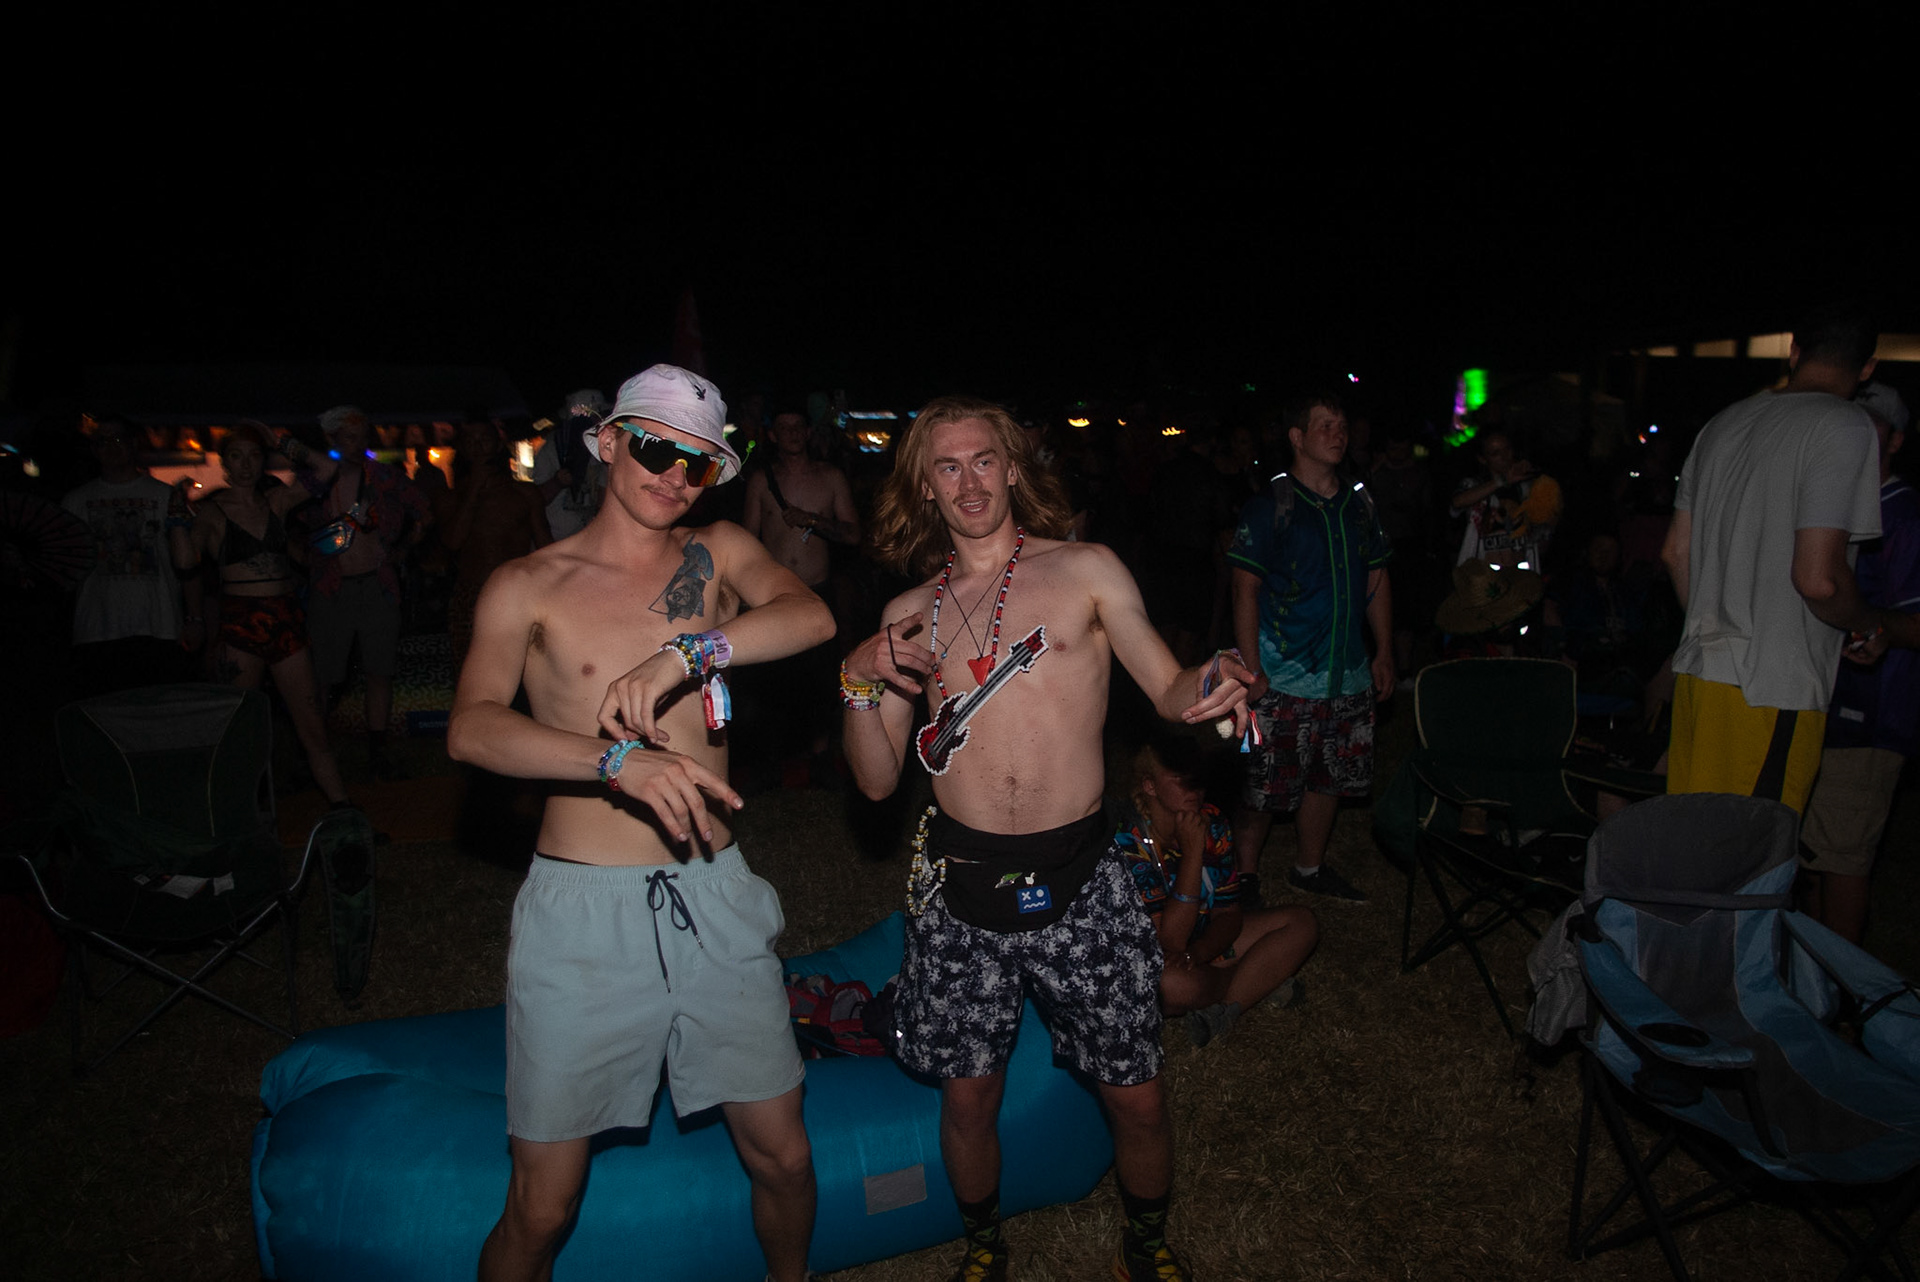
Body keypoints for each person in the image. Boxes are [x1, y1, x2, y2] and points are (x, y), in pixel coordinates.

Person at [841, 395, 1252, 1282]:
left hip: (1082, 879)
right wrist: (856, 681)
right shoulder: (910, 612)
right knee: (968, 1099)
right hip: (961, 888)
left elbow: (1170, 685)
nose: (969, 483)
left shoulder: (1085, 570)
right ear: (924, 488)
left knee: (1136, 1095)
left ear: (1014, 468)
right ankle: (985, 1249)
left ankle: (1146, 1247)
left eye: (984, 460)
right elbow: (875, 780)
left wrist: (1213, 675)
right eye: (947, 467)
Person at [446, 364, 833, 1282]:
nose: (673, 476)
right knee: (543, 1205)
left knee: (784, 1157)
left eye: (697, 463)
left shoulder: (720, 551)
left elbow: (810, 614)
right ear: (611, 441)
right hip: (581, 916)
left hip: (714, 893)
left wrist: (686, 655)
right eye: (657, 449)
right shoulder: (528, 583)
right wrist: (614, 759)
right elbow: (472, 728)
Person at [1662, 303, 1916, 813]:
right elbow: (1818, 579)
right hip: (1773, 684)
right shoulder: (1843, 425)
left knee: (1696, 841)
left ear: (1794, 351)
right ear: (1867, 367)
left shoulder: (1723, 423)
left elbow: (1675, 552)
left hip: (1699, 676)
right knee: (1752, 851)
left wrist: (1719, 622)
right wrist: (1866, 624)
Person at [1227, 392, 1393, 905]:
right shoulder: (1271, 506)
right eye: (1325, 425)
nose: (1338, 434)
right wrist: (1252, 669)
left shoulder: (1360, 505)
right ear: (1297, 437)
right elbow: (1244, 589)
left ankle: (1309, 867)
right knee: (1263, 784)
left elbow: (1377, 577)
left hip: (1348, 673)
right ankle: (1245, 876)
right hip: (1284, 675)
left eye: (1342, 426)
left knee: (1330, 777)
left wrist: (1384, 650)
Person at [170, 422, 350, 806]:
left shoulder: (276, 502)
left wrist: (282, 441)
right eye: (237, 456)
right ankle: (230, 811)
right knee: (237, 728)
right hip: (242, 623)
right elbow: (185, 562)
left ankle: (342, 807)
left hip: (285, 619)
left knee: (312, 725)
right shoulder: (212, 512)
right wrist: (176, 517)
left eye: (254, 455)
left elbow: (327, 469)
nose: (247, 464)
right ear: (224, 463)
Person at [1799, 381, 1918, 943]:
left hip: (1872, 716)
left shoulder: (1904, 514)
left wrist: (1876, 627)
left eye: (1872, 428)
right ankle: (1811, 979)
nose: (1857, 438)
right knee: (1813, 852)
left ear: (1895, 440)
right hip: (1822, 703)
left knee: (1843, 856)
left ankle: (1839, 983)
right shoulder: (1835, 506)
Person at [1116, 736, 1317, 1047]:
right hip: (1152, 958)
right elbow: (1170, 941)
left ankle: (1228, 1004)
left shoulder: (1213, 821)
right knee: (1170, 986)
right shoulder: (1127, 843)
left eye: (1197, 778)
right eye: (1181, 778)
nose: (1194, 788)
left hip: (1200, 942)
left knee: (1301, 923)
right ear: (1150, 786)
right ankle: (1254, 980)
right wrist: (1193, 852)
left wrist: (1198, 953)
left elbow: (1228, 913)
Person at [302, 405, 432, 779]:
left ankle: (377, 753)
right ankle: (314, 753)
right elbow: (287, 522)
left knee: (379, 671)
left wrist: (403, 549)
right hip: (331, 588)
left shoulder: (384, 477)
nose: (357, 444)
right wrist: (304, 558)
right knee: (323, 675)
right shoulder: (313, 481)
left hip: (377, 585)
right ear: (331, 439)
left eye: (361, 437)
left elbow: (424, 510)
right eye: (348, 437)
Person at [742, 410, 861, 760]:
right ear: (773, 435)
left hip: (817, 592)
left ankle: (820, 760)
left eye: (798, 426)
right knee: (771, 681)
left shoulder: (830, 477)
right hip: (774, 597)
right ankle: (771, 764)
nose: (792, 433)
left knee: (820, 682)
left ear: (808, 432)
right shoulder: (761, 481)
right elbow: (745, 542)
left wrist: (812, 519)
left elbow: (854, 534)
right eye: (784, 427)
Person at [62, 415, 189, 694]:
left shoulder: (165, 496)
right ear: (93, 449)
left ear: (133, 443)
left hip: (158, 625)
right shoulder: (74, 501)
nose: (111, 446)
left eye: (118, 439)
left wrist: (195, 619)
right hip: (96, 628)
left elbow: (188, 562)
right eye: (102, 441)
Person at [436, 414, 553, 666]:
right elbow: (453, 541)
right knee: (472, 670)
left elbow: (546, 549)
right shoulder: (452, 496)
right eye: (471, 441)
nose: (478, 446)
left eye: (484, 439)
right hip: (472, 592)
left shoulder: (524, 493)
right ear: (463, 447)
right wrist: (473, 492)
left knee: (524, 668)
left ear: (498, 445)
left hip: (518, 592)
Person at [1449, 429, 1562, 572]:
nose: (1504, 457)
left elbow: (1543, 535)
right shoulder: (1474, 485)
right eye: (1495, 453)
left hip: (1521, 571)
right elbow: (1457, 503)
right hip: (1483, 574)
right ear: (1483, 459)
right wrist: (1502, 481)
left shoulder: (1527, 486)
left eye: (1507, 449)